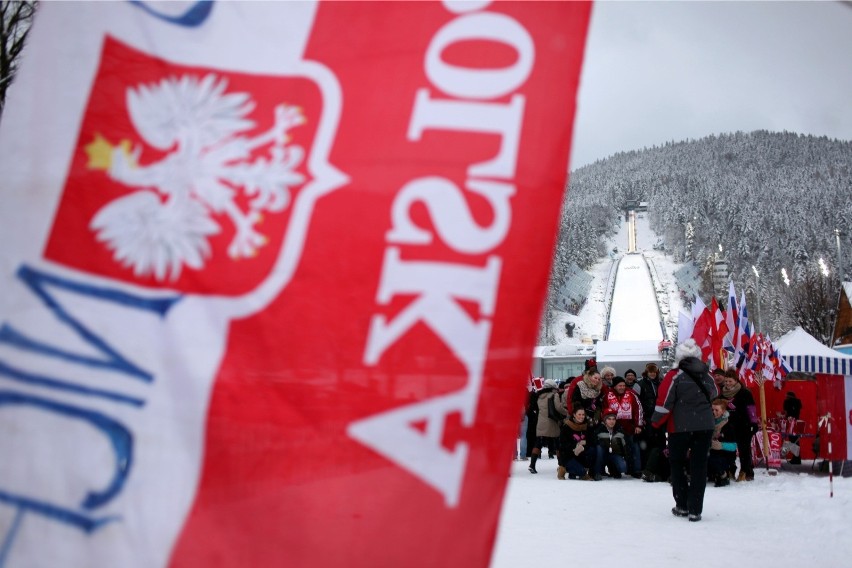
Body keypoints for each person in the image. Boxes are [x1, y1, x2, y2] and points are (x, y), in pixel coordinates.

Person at [651, 339, 718, 522]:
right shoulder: (707, 375)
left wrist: (655, 423)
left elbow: (664, 403)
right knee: (699, 466)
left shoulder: (674, 376)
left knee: (677, 464)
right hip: (704, 426)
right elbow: (714, 393)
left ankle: (682, 505)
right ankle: (695, 508)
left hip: (680, 427)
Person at [720, 369, 759, 481]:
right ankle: (730, 469)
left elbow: (751, 409)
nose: (727, 383)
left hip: (743, 425)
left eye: (730, 381)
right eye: (726, 381)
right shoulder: (722, 393)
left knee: (744, 450)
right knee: (729, 449)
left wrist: (754, 422)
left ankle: (746, 471)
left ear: (736, 380)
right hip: (727, 425)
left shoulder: (744, 392)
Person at [603, 376, 644, 477]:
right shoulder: (608, 395)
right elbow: (604, 411)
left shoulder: (631, 394)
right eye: (619, 385)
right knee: (615, 448)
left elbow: (638, 409)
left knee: (634, 447)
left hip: (629, 427)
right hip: (614, 428)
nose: (622, 387)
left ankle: (636, 469)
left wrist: (638, 425)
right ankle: (615, 469)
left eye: (623, 385)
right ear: (615, 386)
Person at [529, 379, 565, 474]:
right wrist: (566, 412)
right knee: (557, 443)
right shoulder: (554, 395)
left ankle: (532, 465)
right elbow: (558, 407)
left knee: (538, 443)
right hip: (552, 422)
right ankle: (561, 465)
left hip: (541, 422)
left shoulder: (539, 396)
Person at [636, 362, 662, 470]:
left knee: (658, 442)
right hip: (647, 417)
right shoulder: (640, 384)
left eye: (654, 372)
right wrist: (641, 418)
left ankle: (657, 466)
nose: (652, 374)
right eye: (650, 372)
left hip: (659, 417)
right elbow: (635, 401)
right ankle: (645, 466)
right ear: (647, 372)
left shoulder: (661, 383)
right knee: (647, 443)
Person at [708, 397, 739, 487]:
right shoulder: (708, 421)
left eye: (716, 410)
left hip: (725, 454)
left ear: (723, 410)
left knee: (712, 458)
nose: (714, 412)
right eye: (712, 410)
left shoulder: (729, 424)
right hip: (711, 451)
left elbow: (734, 446)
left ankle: (723, 475)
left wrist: (720, 445)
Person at [557, 406, 594, 480]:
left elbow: (592, 441)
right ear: (574, 415)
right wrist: (575, 447)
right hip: (568, 455)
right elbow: (562, 445)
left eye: (583, 415)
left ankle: (578, 470)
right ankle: (562, 468)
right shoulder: (566, 427)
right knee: (581, 472)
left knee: (592, 450)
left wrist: (584, 446)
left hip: (582, 454)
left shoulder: (587, 426)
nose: (582, 417)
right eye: (579, 414)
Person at [593, 408, 628, 480]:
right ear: (605, 420)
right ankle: (597, 472)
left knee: (623, 467)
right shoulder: (599, 429)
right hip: (602, 455)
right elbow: (593, 444)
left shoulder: (619, 430)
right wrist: (601, 443)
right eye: (609, 419)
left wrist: (626, 459)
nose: (611, 421)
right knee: (599, 448)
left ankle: (613, 468)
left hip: (614, 454)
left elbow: (625, 447)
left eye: (613, 419)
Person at [783, 391, 803, 464]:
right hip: (796, 423)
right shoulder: (797, 402)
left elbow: (786, 412)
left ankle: (796, 458)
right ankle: (797, 457)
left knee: (792, 440)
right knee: (796, 441)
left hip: (790, 422)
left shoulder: (787, 402)